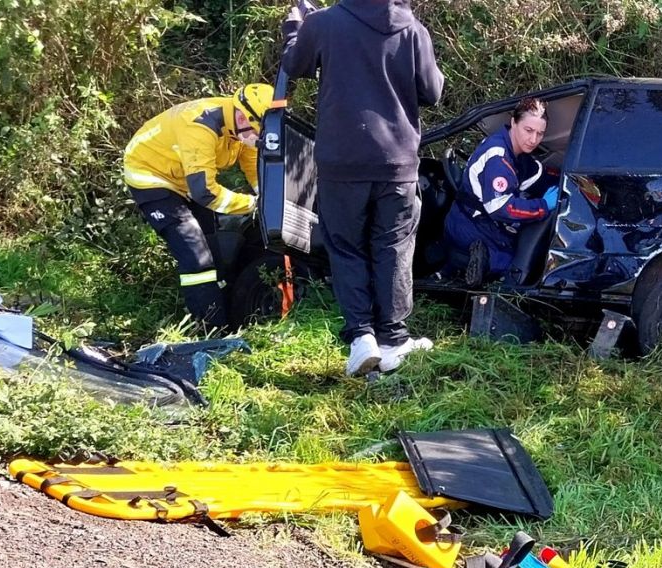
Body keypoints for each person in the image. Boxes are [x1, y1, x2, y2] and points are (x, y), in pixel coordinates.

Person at [281, 0, 444, 376]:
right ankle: (394, 338)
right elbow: (433, 91)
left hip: (343, 162)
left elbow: (295, 64)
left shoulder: (324, 22)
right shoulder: (413, 29)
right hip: (398, 163)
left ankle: (362, 337)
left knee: (346, 246)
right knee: (394, 247)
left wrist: (294, 26)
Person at [123, 84, 277, 328]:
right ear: (241, 116)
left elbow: (252, 166)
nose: (257, 138)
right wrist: (252, 204)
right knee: (196, 256)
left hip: (185, 178)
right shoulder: (200, 126)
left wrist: (268, 196)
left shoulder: (241, 127)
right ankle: (209, 331)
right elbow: (205, 193)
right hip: (151, 176)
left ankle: (229, 319)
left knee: (214, 249)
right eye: (256, 132)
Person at [444, 97, 560, 286]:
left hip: (484, 221)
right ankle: (477, 265)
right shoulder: (498, 157)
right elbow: (502, 208)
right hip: (470, 224)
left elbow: (538, 175)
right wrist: (543, 207)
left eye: (540, 133)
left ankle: (474, 264)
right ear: (513, 122)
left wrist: (565, 180)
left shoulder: (518, 153)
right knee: (514, 269)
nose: (533, 140)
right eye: (528, 130)